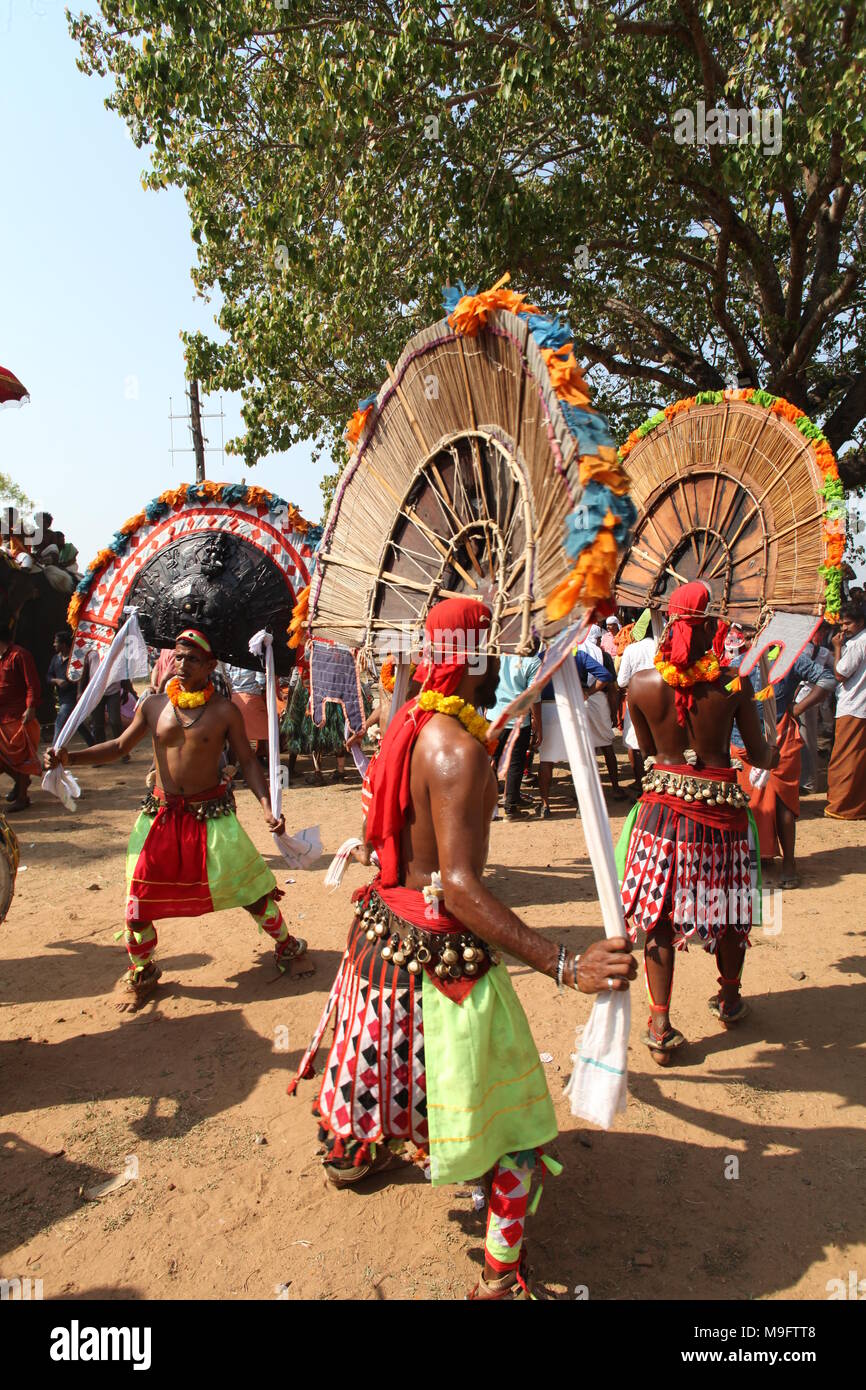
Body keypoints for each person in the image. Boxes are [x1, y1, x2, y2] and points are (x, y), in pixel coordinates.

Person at [289, 598, 636, 1299]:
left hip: (381, 943)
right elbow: (459, 887)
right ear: (478, 656)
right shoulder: (459, 750)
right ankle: (501, 1278)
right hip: (441, 961)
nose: (511, 652)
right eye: (501, 643)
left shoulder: (412, 723)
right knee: (514, 1136)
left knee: (387, 1068)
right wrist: (564, 963)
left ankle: (353, 1152)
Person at [45, 629, 312, 1009]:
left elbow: (249, 760)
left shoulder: (224, 711)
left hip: (212, 816)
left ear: (210, 665)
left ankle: (287, 947)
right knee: (137, 903)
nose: (182, 664)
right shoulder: (153, 705)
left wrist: (267, 806)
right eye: (179, 656)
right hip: (161, 817)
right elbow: (119, 747)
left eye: (192, 659)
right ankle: (142, 971)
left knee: (253, 893)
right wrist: (68, 757)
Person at [618, 581, 778, 1065]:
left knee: (661, 918)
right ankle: (729, 999)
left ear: (668, 621)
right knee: (729, 905)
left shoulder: (640, 685)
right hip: (720, 813)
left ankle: (660, 1022)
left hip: (661, 812)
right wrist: (767, 717)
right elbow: (761, 753)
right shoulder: (734, 683)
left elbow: (647, 755)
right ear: (711, 626)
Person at [731, 635, 836, 886]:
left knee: (772, 804)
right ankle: (777, 863)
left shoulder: (742, 662)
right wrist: (795, 709)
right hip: (753, 740)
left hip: (768, 739)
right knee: (765, 803)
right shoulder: (742, 663)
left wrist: (796, 709)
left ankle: (783, 864)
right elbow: (828, 679)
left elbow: (828, 680)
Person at [537, 644, 625, 813]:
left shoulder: (542, 657)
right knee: (580, 761)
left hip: (548, 710)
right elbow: (605, 675)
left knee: (546, 761)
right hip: (574, 708)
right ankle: (581, 806)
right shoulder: (579, 655)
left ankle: (545, 805)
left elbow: (533, 684)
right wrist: (588, 692)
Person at [488, 649, 542, 818]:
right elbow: (534, 697)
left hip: (494, 717)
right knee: (515, 764)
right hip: (518, 721)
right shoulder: (533, 662)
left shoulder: (497, 655)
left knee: (492, 762)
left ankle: (490, 808)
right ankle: (511, 807)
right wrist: (538, 723)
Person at [826, 601, 866, 820]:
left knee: (845, 757)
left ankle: (841, 805)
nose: (843, 628)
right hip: (860, 706)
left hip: (853, 706)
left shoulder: (857, 644)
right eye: (842, 623)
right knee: (858, 757)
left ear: (860, 622)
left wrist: (837, 648)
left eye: (848, 623)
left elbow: (840, 674)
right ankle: (856, 804)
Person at [0, 621, 41, 811]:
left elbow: (32, 684)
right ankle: (19, 783)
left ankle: (23, 797)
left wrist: (30, 708)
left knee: (21, 759)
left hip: (18, 717)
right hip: (2, 717)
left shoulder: (20, 655)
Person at [617, 627, 657, 790]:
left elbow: (621, 681)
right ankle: (656, 781)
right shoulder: (661, 645)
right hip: (661, 699)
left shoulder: (631, 649)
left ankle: (641, 783)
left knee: (634, 742)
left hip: (636, 698)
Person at [46, 629, 86, 747]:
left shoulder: (75, 659)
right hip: (62, 697)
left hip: (71, 698)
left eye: (56, 642)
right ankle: (95, 747)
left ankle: (54, 751)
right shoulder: (55, 659)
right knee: (78, 725)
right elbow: (48, 676)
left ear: (63, 644)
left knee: (59, 722)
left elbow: (80, 677)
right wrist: (56, 681)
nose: (54, 644)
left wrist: (79, 693)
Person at [225, 661, 269, 761]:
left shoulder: (230, 662)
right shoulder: (253, 661)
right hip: (252, 698)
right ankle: (274, 768)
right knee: (267, 735)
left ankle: (232, 769)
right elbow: (262, 681)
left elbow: (227, 680)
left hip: (235, 699)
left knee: (235, 737)